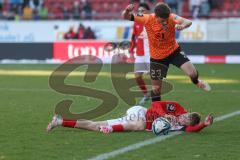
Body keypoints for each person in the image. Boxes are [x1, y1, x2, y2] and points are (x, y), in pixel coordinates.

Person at [122, 3, 211, 102]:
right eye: (162, 20)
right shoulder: (147, 18)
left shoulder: (171, 17)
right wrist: (126, 11)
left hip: (174, 52)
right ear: (156, 16)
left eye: (166, 19)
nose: (165, 22)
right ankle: (157, 112)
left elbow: (188, 22)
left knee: (193, 73)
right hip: (157, 58)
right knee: (156, 89)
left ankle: (197, 82)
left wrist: (183, 26)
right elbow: (126, 16)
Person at [46, 101, 214, 134]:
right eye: (184, 117)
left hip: (133, 121)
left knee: (94, 126)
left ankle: (60, 122)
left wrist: (204, 125)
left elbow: (193, 129)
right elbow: (156, 105)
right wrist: (165, 115)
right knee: (140, 126)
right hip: (140, 113)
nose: (182, 120)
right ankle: (111, 129)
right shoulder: (175, 108)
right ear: (186, 113)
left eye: (185, 121)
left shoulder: (184, 126)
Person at [129, 3, 151, 105]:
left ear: (148, 12)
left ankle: (157, 99)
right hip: (140, 54)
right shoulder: (136, 22)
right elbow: (133, 38)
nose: (141, 13)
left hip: (150, 53)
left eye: (143, 11)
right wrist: (131, 51)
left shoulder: (152, 21)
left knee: (154, 76)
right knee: (137, 76)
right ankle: (146, 95)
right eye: (139, 11)